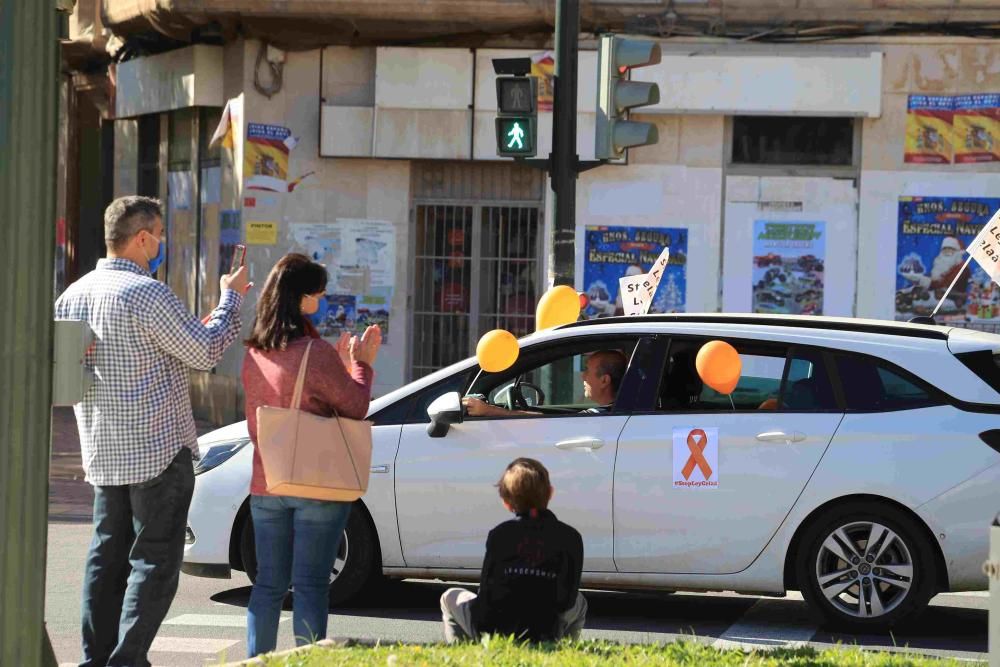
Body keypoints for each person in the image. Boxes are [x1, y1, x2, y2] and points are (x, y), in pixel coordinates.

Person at [54, 196, 250, 667]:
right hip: (157, 451)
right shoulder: (148, 294)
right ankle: (127, 660)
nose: (161, 244)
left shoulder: (72, 295)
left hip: (103, 449)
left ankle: (96, 659)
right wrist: (232, 298)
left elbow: (70, 377)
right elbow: (205, 353)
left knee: (106, 558)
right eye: (159, 235)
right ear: (142, 238)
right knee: (155, 562)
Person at [241, 253, 382, 657]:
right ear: (302, 299)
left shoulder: (255, 353)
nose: (321, 300)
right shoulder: (313, 351)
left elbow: (262, 418)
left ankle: (257, 662)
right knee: (310, 585)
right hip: (316, 484)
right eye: (318, 293)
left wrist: (336, 366)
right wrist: (361, 366)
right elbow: (354, 406)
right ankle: (305, 661)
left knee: (267, 585)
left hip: (267, 481)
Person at [439, 457, 587, 643]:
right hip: (545, 630)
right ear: (550, 493)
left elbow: (486, 594)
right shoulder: (571, 537)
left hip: (495, 631)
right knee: (581, 601)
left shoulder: (499, 535)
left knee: (449, 596)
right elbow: (568, 599)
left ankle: (464, 654)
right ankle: (560, 650)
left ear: (506, 502)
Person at [463, 349, 627, 417]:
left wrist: (488, 410)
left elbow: (543, 424)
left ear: (605, 380)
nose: (582, 377)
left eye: (587, 371)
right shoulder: (612, 412)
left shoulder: (599, 417)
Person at [902, 236, 969, 309]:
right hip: (939, 294)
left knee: (925, 296)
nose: (947, 252)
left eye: (950, 250)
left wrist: (923, 280)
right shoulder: (941, 264)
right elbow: (936, 282)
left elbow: (946, 284)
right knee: (917, 292)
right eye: (944, 249)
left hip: (953, 297)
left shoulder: (961, 267)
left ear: (956, 252)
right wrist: (920, 279)